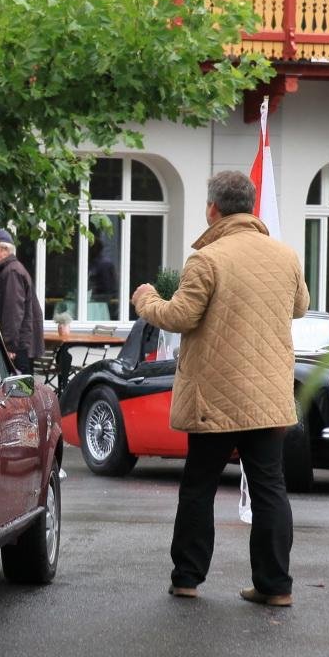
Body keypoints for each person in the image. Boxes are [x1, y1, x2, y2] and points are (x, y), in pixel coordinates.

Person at [130, 171, 309, 608]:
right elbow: (300, 307)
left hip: (213, 395)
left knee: (199, 486)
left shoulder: (207, 259)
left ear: (213, 208)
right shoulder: (285, 255)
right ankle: (275, 586)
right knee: (269, 487)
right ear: (251, 207)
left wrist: (146, 299)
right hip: (268, 397)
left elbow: (180, 317)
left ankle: (187, 578)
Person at [0, 228, 44, 375]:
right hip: (17, 346)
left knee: (19, 388)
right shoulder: (8, 270)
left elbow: (13, 313)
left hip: (16, 348)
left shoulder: (11, 272)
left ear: (5, 250)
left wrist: (9, 346)